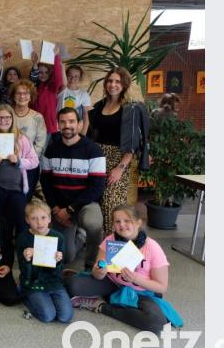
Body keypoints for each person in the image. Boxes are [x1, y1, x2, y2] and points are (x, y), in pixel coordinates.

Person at [68, 205, 183, 334]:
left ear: (138, 222)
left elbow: (162, 287)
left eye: (127, 220)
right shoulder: (110, 241)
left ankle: (101, 306)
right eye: (117, 221)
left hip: (141, 292)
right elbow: (97, 273)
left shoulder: (152, 247)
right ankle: (112, 299)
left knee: (156, 323)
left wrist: (135, 279)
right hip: (112, 283)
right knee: (73, 285)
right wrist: (99, 271)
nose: (122, 225)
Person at [40, 107, 106, 269]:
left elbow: (96, 188)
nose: (67, 125)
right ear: (58, 125)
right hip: (60, 207)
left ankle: (91, 264)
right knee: (66, 257)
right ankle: (80, 238)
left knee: (94, 225)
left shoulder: (93, 150)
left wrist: (70, 209)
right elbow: (46, 182)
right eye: (63, 122)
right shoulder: (51, 150)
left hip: (85, 204)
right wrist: (55, 208)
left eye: (71, 121)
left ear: (79, 124)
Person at [87, 67, 149, 233]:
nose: (112, 84)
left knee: (111, 205)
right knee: (97, 204)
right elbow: (91, 134)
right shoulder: (100, 105)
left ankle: (114, 249)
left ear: (124, 85)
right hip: (98, 159)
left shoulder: (130, 109)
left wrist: (120, 168)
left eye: (117, 81)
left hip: (118, 160)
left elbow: (133, 143)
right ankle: (101, 248)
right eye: (110, 81)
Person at [0, 105, 39, 238]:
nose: (3, 120)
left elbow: (34, 161)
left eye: (7, 117)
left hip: (17, 189)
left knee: (21, 222)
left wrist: (20, 161)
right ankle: (0, 250)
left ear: (12, 119)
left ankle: (21, 251)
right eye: (0, 117)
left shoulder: (22, 139)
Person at [16, 199, 73, 323]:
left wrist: (58, 261)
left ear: (49, 218)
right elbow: (24, 271)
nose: (39, 222)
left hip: (53, 282)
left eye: (43, 217)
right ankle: (25, 295)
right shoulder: (23, 238)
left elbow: (58, 272)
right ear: (27, 220)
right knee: (48, 316)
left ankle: (42, 298)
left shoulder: (58, 238)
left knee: (65, 316)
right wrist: (26, 259)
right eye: (34, 218)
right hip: (32, 283)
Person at [9, 79, 47, 201]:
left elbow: (40, 143)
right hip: (8, 164)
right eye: (18, 93)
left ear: (31, 96)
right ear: (13, 96)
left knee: (24, 200)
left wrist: (26, 160)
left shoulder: (37, 117)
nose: (22, 96)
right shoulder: (6, 114)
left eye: (26, 93)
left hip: (30, 166)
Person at [29, 47, 64, 135]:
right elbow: (33, 77)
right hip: (34, 125)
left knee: (43, 148)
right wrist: (34, 63)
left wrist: (55, 57)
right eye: (40, 72)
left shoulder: (52, 87)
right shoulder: (34, 86)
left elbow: (58, 78)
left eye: (46, 72)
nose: (43, 75)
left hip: (48, 126)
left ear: (50, 73)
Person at [57, 65, 92, 136]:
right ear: (65, 76)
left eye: (76, 76)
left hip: (73, 129)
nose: (73, 79)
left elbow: (86, 114)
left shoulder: (83, 94)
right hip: (57, 127)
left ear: (80, 78)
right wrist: (61, 64)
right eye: (70, 76)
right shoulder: (62, 90)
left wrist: (83, 134)